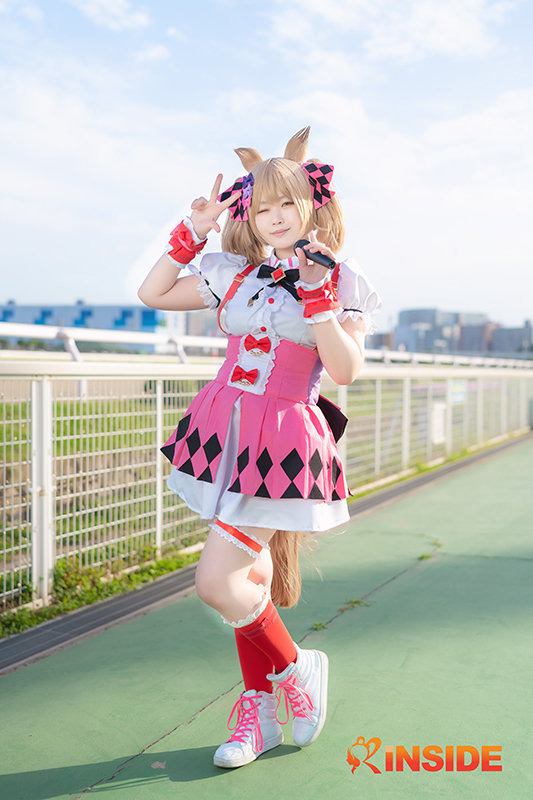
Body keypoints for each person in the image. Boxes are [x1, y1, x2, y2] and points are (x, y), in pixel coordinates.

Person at [137, 126, 382, 769]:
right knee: (250, 578)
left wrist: (319, 299)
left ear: (313, 204)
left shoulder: (342, 278)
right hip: (224, 431)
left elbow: (346, 370)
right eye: (262, 206)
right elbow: (153, 294)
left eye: (287, 204)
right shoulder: (235, 272)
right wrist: (192, 229)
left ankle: (297, 668)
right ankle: (261, 711)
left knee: (216, 582)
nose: (274, 218)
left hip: (283, 442)